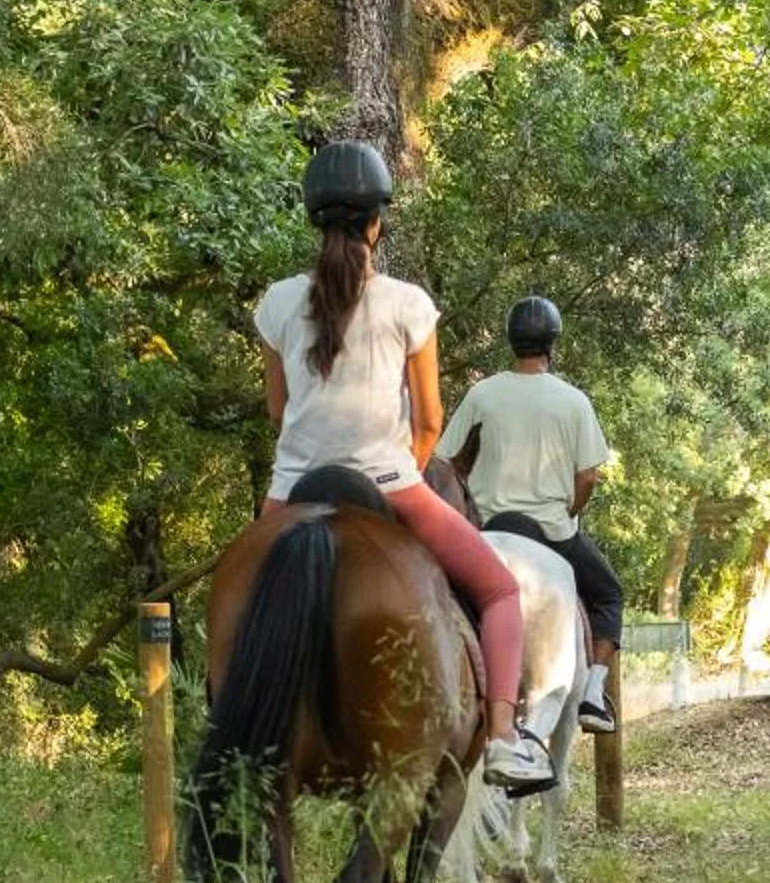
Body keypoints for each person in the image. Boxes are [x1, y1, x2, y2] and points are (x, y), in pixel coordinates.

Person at [255, 140, 554, 789]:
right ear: (376, 222)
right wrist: (400, 474)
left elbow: (277, 413)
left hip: (290, 493)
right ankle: (503, 739)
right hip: (389, 485)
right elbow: (427, 420)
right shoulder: (407, 304)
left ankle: (233, 729)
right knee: (500, 590)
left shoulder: (277, 303)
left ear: (314, 220)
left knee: (244, 597)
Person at [436, 296, 624, 732]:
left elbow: (444, 460)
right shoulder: (573, 401)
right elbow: (589, 477)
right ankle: (594, 695)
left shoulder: (482, 393)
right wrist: (571, 510)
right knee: (610, 594)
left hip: (488, 530)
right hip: (552, 532)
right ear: (552, 344)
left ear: (511, 341)